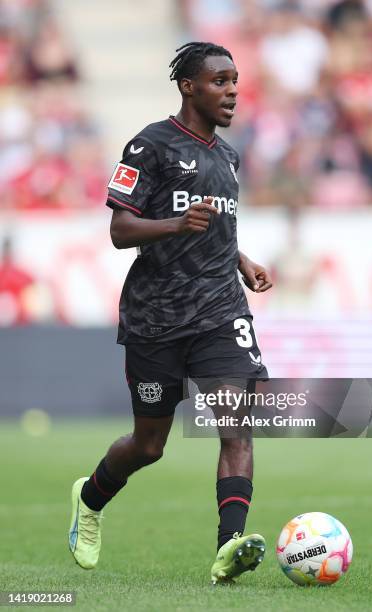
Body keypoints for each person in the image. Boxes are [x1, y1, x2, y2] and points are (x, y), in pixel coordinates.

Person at [68, 42, 273, 584]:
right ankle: (89, 499)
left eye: (235, 80)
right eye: (220, 81)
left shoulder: (228, 156)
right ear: (189, 86)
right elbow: (119, 231)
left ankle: (230, 547)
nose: (232, 90)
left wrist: (242, 262)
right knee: (149, 444)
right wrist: (176, 226)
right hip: (155, 317)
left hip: (221, 312)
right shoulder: (149, 146)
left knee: (236, 429)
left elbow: (217, 228)